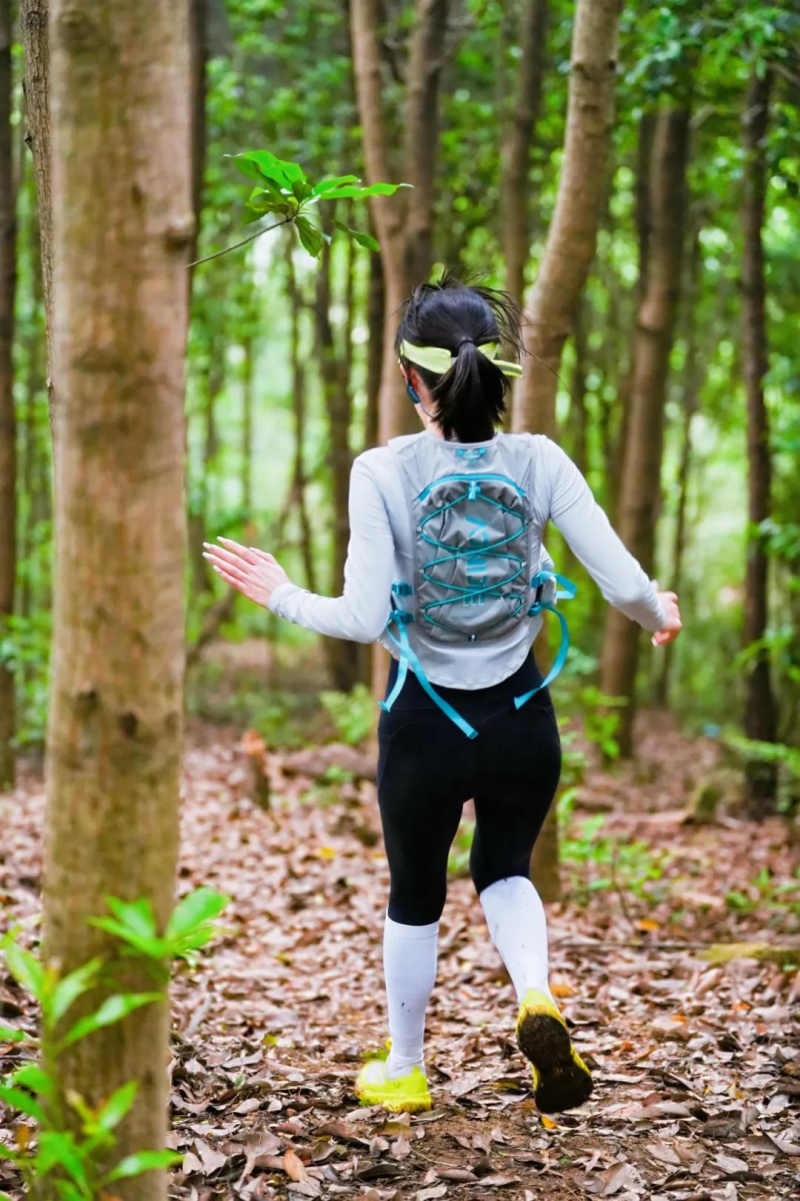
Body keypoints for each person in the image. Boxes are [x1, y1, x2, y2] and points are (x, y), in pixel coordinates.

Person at [203, 272, 682, 1116]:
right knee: (505, 866)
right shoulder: (542, 461)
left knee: (415, 892)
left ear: (409, 377)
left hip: (423, 718)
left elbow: (361, 618)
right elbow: (620, 581)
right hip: (522, 715)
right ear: (498, 375)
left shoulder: (382, 469)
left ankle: (406, 1066)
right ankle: (534, 995)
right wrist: (658, 612)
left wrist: (280, 594)